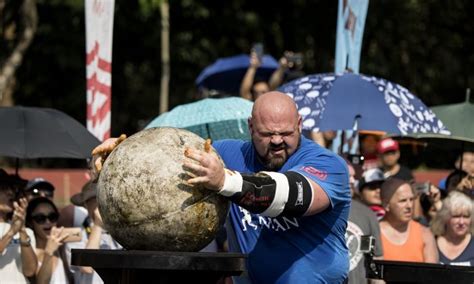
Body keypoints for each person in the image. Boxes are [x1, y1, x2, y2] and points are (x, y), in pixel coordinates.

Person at [92, 91, 351, 283]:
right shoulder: (226, 153)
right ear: (250, 127)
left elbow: (293, 196)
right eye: (266, 133)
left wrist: (225, 181)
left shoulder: (327, 164)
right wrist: (119, 155)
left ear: (300, 124)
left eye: (285, 133)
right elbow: (162, 157)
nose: (276, 141)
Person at [68, 180, 121, 284]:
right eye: (95, 200)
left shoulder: (120, 233)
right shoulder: (76, 235)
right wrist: (98, 225)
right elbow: (87, 267)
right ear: (86, 205)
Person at [379, 178, 438, 263]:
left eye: (411, 199)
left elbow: (432, 273)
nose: (409, 205)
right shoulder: (375, 234)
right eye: (402, 201)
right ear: (386, 205)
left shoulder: (424, 234)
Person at [345, 162, 384, 284]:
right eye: (372, 187)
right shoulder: (316, 212)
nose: (352, 181)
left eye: (353, 177)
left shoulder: (366, 215)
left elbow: (374, 262)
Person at [25, 197, 74, 283]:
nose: (48, 222)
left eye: (52, 217)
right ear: (30, 222)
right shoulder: (29, 254)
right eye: (40, 218)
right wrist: (49, 252)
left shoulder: (63, 249)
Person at [0, 171, 38, 283]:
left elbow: (30, 271)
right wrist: (11, 233)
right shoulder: (12, 230)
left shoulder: (26, 232)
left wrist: (21, 230)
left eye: (11, 189)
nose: (10, 193)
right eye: (3, 188)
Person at [431, 191, 474, 266]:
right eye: (456, 216)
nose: (461, 222)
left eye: (466, 216)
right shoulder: (431, 243)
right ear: (445, 217)